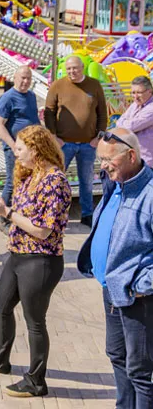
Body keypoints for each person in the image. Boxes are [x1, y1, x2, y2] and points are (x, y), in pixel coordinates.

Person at [0, 125, 72, 397]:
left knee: (35, 321)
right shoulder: (30, 175)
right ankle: (0, 357)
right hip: (18, 253)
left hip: (41, 260)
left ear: (36, 149)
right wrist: (0, 207)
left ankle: (36, 381)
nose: (15, 153)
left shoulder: (55, 181)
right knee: (1, 304)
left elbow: (43, 230)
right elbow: (21, 212)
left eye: (19, 148)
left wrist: (7, 213)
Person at [77, 128, 153, 408]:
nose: (104, 166)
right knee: (117, 356)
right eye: (101, 159)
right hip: (112, 288)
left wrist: (141, 284)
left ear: (131, 155)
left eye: (109, 159)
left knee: (140, 371)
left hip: (137, 296)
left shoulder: (149, 194)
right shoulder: (115, 183)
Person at [44, 55, 107, 227]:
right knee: (56, 179)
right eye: (69, 69)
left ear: (82, 68)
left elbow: (102, 112)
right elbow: (49, 112)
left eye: (75, 68)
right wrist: (53, 136)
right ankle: (53, 213)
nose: (72, 71)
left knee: (86, 181)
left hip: (88, 144)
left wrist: (99, 137)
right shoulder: (58, 85)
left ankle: (87, 214)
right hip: (64, 144)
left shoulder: (94, 85)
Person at [0, 65, 40, 233]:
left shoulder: (31, 96)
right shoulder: (7, 98)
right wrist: (14, 146)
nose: (25, 81)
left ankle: (21, 217)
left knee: (27, 184)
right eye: (22, 78)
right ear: (15, 78)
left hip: (31, 150)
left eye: (28, 78)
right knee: (12, 183)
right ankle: (4, 220)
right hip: (15, 151)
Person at [115, 75, 153, 167]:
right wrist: (124, 122)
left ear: (149, 91)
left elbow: (130, 127)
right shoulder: (135, 105)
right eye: (133, 92)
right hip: (135, 159)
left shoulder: (151, 108)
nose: (135, 96)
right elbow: (119, 122)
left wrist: (125, 122)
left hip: (148, 160)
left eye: (139, 92)